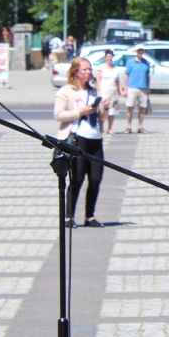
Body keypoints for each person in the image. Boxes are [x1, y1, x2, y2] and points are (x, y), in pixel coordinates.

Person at [54, 56, 108, 228]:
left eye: (89, 69)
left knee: (96, 178)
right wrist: (80, 112)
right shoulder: (66, 91)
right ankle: (69, 216)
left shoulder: (93, 92)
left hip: (95, 138)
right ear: (75, 72)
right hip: (77, 138)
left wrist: (104, 108)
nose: (88, 72)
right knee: (76, 178)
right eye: (84, 69)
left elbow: (100, 118)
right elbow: (59, 115)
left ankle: (90, 216)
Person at [123, 48, 152, 134]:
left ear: (143, 52)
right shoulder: (130, 62)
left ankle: (140, 127)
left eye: (141, 51)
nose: (140, 52)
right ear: (136, 52)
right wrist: (125, 88)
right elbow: (126, 75)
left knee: (142, 109)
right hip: (132, 87)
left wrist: (148, 88)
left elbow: (147, 76)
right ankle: (128, 127)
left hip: (143, 88)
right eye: (139, 51)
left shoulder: (146, 63)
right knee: (130, 108)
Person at [98, 50, 126, 135]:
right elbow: (98, 80)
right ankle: (101, 127)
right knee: (103, 111)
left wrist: (121, 91)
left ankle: (110, 128)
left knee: (112, 111)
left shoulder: (115, 68)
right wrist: (99, 91)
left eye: (111, 57)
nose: (110, 58)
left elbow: (118, 81)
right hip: (104, 91)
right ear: (105, 58)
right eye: (108, 57)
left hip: (113, 92)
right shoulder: (101, 68)